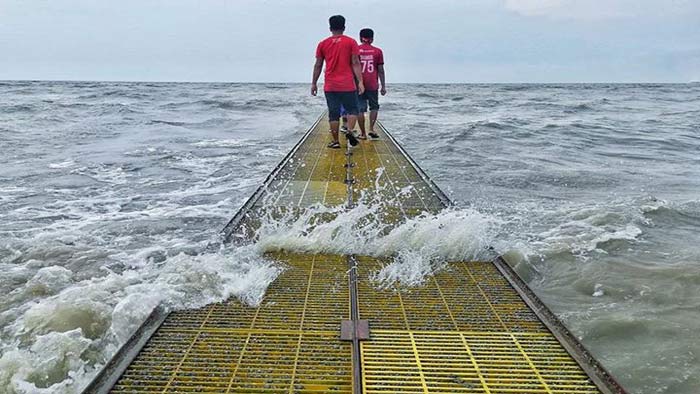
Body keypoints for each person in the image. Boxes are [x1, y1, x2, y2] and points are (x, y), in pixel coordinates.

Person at [312, 15, 364, 149]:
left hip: (330, 85)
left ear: (330, 28)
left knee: (333, 113)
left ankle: (335, 142)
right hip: (347, 84)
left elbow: (318, 65)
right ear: (344, 27)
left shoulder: (323, 44)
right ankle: (350, 131)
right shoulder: (351, 42)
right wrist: (360, 82)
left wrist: (314, 83)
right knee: (352, 109)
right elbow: (355, 62)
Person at [356, 28, 385, 140]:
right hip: (373, 84)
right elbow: (381, 70)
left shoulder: (356, 50)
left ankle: (363, 133)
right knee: (374, 107)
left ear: (360, 38)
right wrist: (383, 86)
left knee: (360, 109)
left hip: (359, 84)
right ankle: (371, 129)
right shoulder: (378, 51)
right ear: (372, 39)